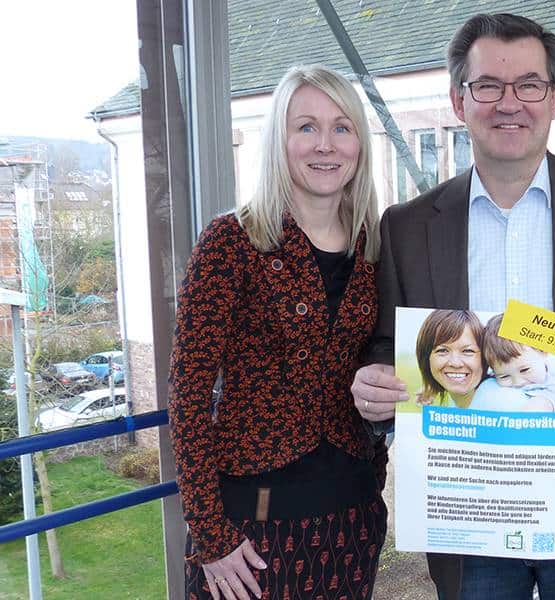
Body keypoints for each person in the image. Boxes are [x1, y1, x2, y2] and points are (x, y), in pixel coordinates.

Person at [351, 12, 555, 600]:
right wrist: (374, 379)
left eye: (529, 85)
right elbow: (387, 344)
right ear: (458, 99)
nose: (509, 103)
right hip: (470, 510)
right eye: (488, 87)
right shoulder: (406, 227)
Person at [168, 64, 387, 600]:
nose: (325, 145)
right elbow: (189, 394)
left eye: (342, 127)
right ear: (279, 141)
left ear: (359, 141)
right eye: (305, 127)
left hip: (352, 514)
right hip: (252, 525)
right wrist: (211, 536)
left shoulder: (374, 245)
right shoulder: (231, 242)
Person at [473, 312, 555, 412]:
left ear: (542, 351)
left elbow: (539, 408)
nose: (518, 382)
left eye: (525, 370)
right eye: (504, 376)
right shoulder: (491, 383)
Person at [414, 310, 488, 407]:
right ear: (426, 358)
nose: (455, 363)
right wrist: (434, 386)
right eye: (442, 351)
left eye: (468, 351)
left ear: (486, 356)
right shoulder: (457, 401)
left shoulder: (497, 399)